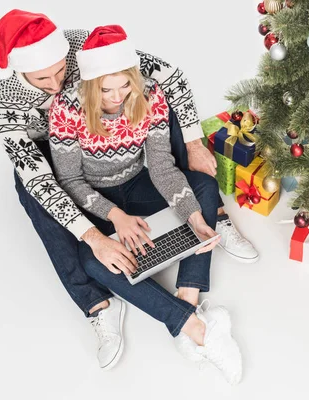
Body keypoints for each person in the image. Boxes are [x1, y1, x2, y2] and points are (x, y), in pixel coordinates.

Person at [0, 10, 257, 370]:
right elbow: (56, 179)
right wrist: (98, 234)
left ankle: (197, 262)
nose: (55, 83)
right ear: (19, 71)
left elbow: (162, 88)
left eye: (61, 71)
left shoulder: (95, 55)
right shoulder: (12, 102)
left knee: (193, 175)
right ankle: (98, 304)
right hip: (62, 155)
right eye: (42, 78)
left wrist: (192, 143)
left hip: (124, 156)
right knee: (32, 187)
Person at [49, 25, 243, 384]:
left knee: (202, 186)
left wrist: (195, 219)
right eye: (106, 89)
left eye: (125, 85)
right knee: (92, 260)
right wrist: (116, 216)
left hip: (138, 182)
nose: (117, 96)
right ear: (91, 85)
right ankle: (192, 325)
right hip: (96, 196)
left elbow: (163, 167)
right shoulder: (66, 109)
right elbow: (69, 182)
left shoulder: (150, 94)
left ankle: (189, 294)